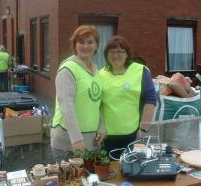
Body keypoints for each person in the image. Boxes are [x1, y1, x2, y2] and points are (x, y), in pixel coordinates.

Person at [50, 25, 105, 162]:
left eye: (90, 42)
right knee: (72, 183)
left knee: (91, 182)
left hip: (91, 142)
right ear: (75, 45)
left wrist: (102, 128)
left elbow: (98, 103)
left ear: (96, 45)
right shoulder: (68, 69)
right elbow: (66, 106)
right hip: (69, 144)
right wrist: (76, 140)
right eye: (81, 42)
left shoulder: (95, 71)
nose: (85, 46)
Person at [100, 35, 157, 159]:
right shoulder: (100, 74)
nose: (116, 55)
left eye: (121, 51)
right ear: (106, 54)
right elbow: (98, 105)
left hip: (134, 135)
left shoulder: (141, 71)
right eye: (112, 51)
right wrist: (101, 128)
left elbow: (150, 101)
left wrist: (143, 130)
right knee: (111, 174)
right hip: (107, 138)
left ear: (127, 54)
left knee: (132, 170)